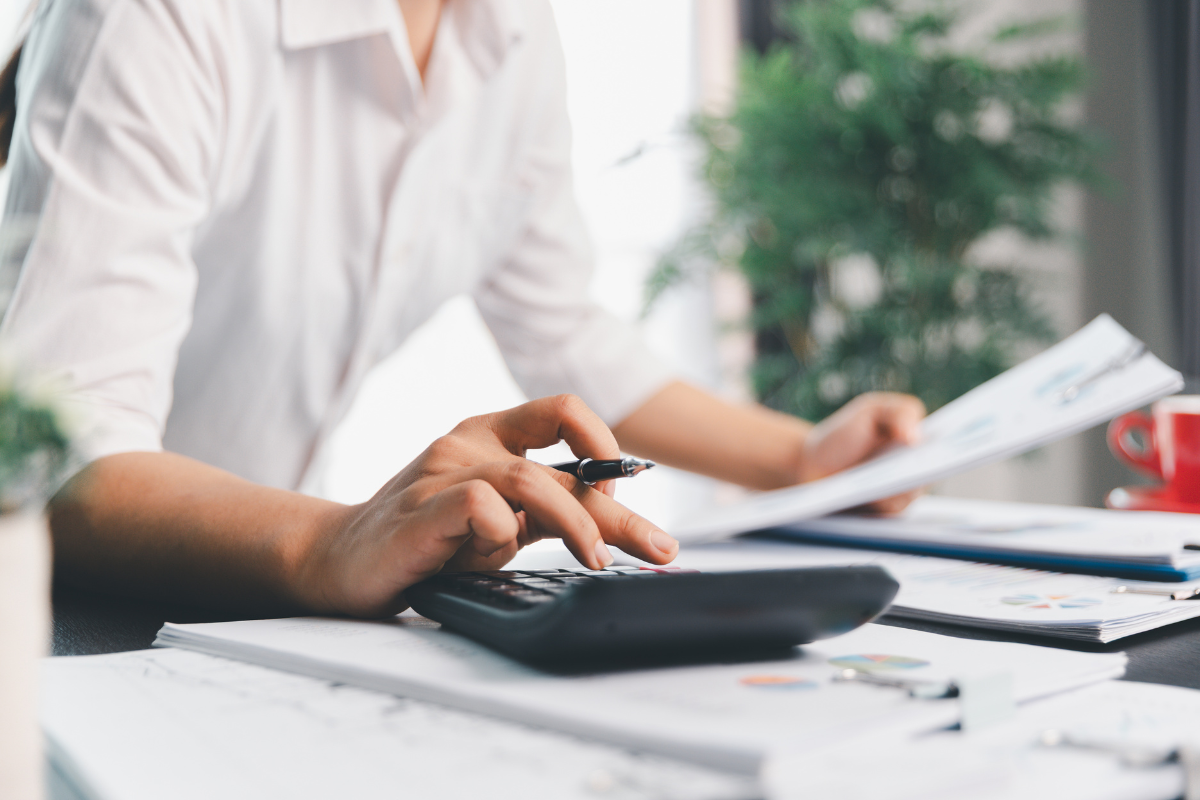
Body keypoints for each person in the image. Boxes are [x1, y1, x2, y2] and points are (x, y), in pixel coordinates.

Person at [0, 0, 924, 617]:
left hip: (236, 606)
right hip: (50, 615)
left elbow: (562, 329)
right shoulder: (155, 17)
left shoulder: (510, 33)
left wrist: (801, 460)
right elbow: (55, 459)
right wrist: (334, 539)